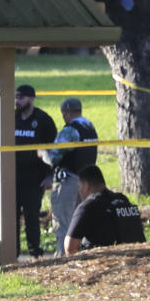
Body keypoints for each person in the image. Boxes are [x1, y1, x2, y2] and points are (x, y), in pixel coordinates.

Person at [47, 97, 99, 256]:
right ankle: (81, 255)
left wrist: (42, 154)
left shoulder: (70, 130)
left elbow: (53, 156)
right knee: (80, 221)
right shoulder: (90, 127)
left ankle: (63, 257)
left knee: (64, 222)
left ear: (66, 113)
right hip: (87, 181)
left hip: (68, 180)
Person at [14, 84, 57, 258]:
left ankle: (35, 253)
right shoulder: (11, 118)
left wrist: (49, 176)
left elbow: (54, 151)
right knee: (11, 217)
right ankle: (13, 252)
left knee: (32, 218)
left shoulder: (43, 120)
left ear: (31, 98)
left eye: (21, 98)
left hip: (35, 179)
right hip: (13, 178)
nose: (17, 101)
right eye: (16, 97)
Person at [65, 165, 145, 255]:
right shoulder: (122, 200)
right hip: (135, 258)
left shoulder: (88, 206)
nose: (79, 191)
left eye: (79, 186)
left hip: (102, 262)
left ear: (86, 185)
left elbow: (70, 248)